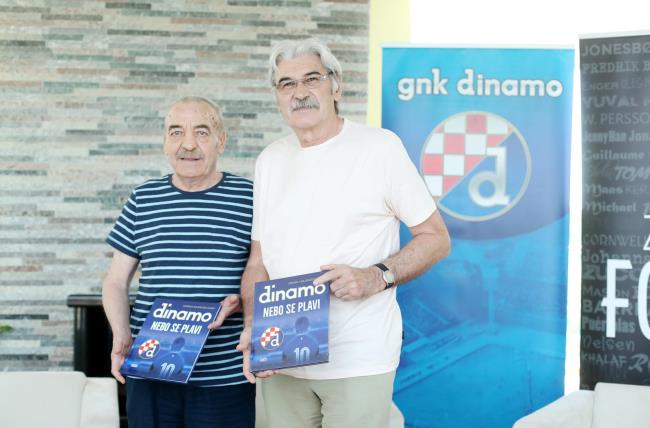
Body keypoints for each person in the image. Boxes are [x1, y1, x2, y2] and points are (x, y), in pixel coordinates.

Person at [237, 38, 451, 428]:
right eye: (287, 84)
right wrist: (253, 325)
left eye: (311, 79)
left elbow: (436, 238)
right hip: (282, 357)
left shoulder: (380, 148)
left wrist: (376, 276)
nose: (299, 92)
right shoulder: (270, 160)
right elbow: (258, 261)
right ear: (277, 97)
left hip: (357, 358)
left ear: (336, 86)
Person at [102, 96, 255, 428]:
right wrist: (121, 333)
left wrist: (242, 302)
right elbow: (115, 281)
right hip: (151, 366)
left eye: (201, 132)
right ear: (164, 142)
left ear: (221, 141)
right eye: (176, 132)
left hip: (225, 375)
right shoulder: (143, 198)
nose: (188, 144)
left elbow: (266, 273)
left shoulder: (251, 198)